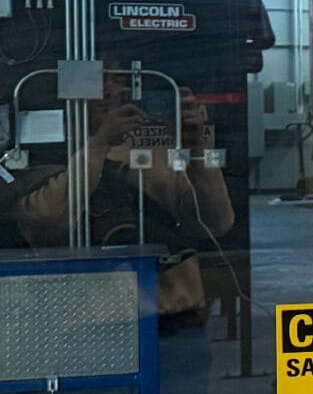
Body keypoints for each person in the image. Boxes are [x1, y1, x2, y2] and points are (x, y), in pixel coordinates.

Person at [11, 76, 236, 320]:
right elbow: (47, 214)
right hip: (79, 314)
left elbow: (215, 223)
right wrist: (100, 143)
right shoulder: (40, 156)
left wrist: (199, 152)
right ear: (69, 97)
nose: (111, 92)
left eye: (118, 80)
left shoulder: (156, 157)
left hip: (168, 309)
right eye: (99, 82)